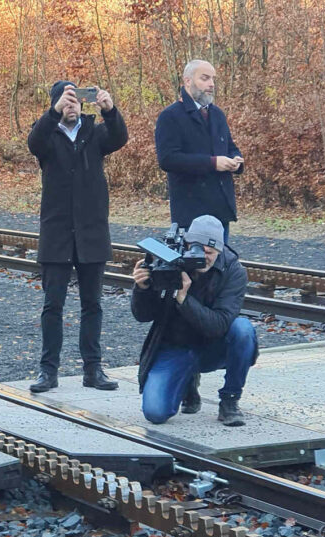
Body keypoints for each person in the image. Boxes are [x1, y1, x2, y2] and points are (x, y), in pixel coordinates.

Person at [26, 81, 129, 394]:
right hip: (57, 233)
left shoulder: (94, 133)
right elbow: (34, 142)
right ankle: (48, 371)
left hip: (92, 233)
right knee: (52, 305)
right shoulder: (47, 134)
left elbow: (119, 137)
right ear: (56, 104)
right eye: (65, 100)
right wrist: (54, 112)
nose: (72, 105)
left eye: (75, 100)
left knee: (92, 305)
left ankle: (93, 369)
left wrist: (110, 111)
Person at [131, 215, 256, 427]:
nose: (204, 257)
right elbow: (143, 316)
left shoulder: (233, 270)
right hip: (176, 344)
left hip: (212, 346)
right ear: (187, 244)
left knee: (243, 330)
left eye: (210, 252)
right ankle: (187, 382)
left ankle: (230, 401)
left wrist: (184, 298)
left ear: (221, 249)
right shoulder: (171, 260)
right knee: (155, 413)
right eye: (198, 250)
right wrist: (142, 289)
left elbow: (219, 325)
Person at [154, 60, 245, 237]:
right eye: (204, 78)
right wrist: (213, 163)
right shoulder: (170, 116)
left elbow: (230, 147)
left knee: (221, 264)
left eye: (213, 79)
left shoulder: (217, 114)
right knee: (195, 264)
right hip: (191, 213)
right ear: (188, 81)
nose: (211, 84)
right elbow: (168, 159)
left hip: (220, 211)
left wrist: (236, 161)